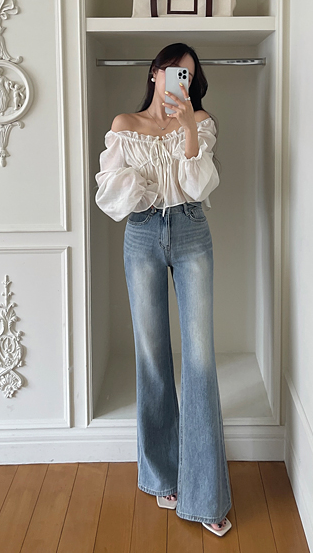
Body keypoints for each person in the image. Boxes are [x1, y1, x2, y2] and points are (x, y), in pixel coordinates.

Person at [94, 43, 232, 537]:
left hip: (191, 231)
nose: (180, 82)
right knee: (152, 356)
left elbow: (197, 186)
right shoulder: (124, 125)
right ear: (155, 73)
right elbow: (110, 190)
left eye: (188, 77)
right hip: (142, 235)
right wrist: (147, 189)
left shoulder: (201, 123)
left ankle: (206, 495)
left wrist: (189, 125)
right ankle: (160, 475)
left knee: (199, 359)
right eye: (175, 71)